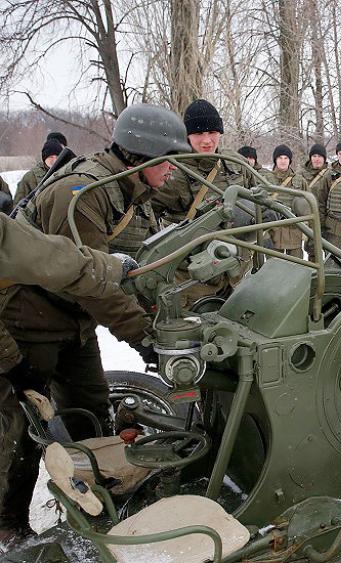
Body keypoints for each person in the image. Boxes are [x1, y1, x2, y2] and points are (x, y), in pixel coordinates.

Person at [0, 103, 190, 545]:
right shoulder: (83, 193)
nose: (172, 171)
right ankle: (10, 527)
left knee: (90, 407)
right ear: (140, 157)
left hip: (72, 323)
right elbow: (87, 281)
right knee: (26, 427)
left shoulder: (121, 186)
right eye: (167, 160)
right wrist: (143, 336)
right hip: (31, 320)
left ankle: (101, 497)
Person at [151, 99, 254, 307]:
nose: (207, 140)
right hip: (194, 281)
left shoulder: (234, 163)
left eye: (212, 132)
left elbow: (258, 195)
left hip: (237, 275)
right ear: (187, 135)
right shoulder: (173, 171)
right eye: (199, 134)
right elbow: (145, 213)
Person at [268, 144, 307, 258]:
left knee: (296, 267)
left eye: (286, 158)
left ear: (290, 160)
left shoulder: (300, 181)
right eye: (280, 158)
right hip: (273, 231)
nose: (283, 161)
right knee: (273, 267)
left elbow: (308, 205)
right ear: (275, 160)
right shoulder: (266, 179)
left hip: (294, 231)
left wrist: (306, 227)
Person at [12, 139, 64, 207]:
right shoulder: (30, 177)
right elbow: (17, 206)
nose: (54, 160)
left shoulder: (66, 174)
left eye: (57, 157)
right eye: (51, 157)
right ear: (44, 158)